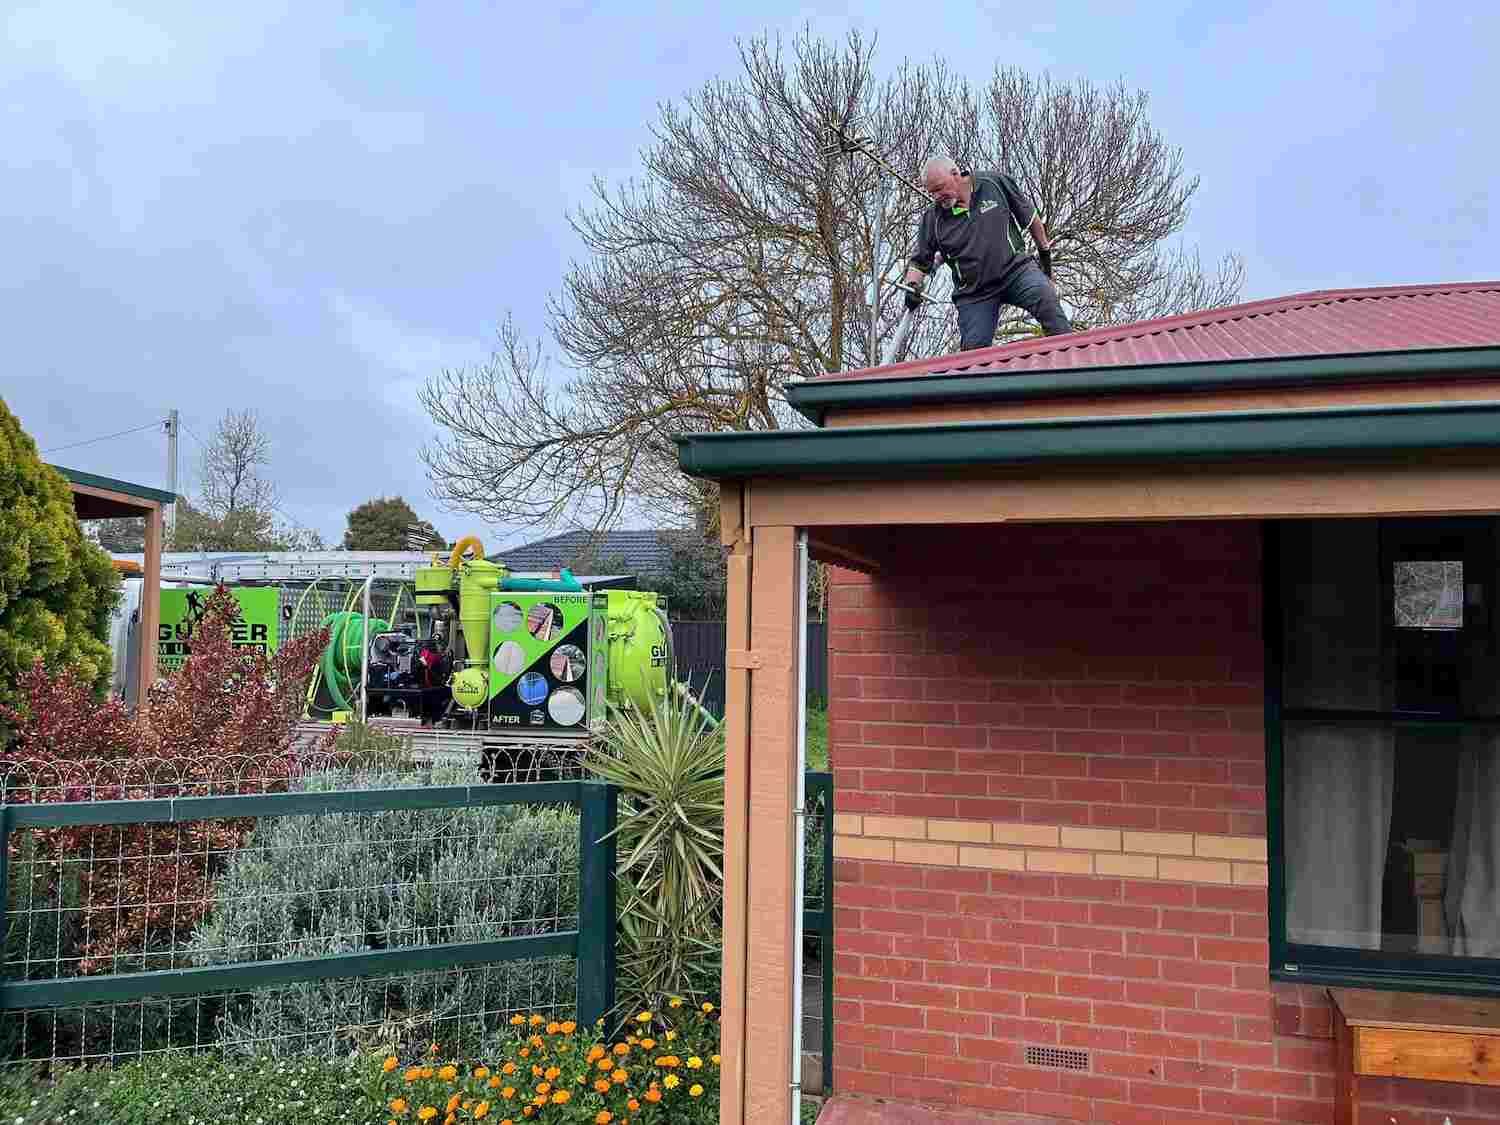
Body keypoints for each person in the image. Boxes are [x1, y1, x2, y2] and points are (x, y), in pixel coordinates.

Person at [904, 156, 1071, 349]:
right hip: (975, 293)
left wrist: (1046, 266)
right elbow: (918, 263)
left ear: (955, 174)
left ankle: (1070, 359)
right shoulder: (933, 219)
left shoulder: (994, 183)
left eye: (940, 188)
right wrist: (912, 286)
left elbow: (1032, 221)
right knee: (973, 351)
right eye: (932, 192)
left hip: (1016, 272)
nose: (937, 197)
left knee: (1046, 298)